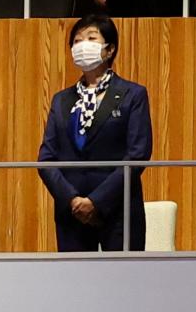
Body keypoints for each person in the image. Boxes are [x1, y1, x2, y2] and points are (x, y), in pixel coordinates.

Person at [38, 14, 153, 251]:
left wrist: (96, 201)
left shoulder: (133, 95)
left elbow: (137, 155)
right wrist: (73, 200)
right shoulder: (61, 100)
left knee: (123, 285)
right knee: (75, 285)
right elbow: (46, 159)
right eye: (77, 41)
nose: (82, 45)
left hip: (118, 210)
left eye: (91, 38)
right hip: (71, 212)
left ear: (109, 49)